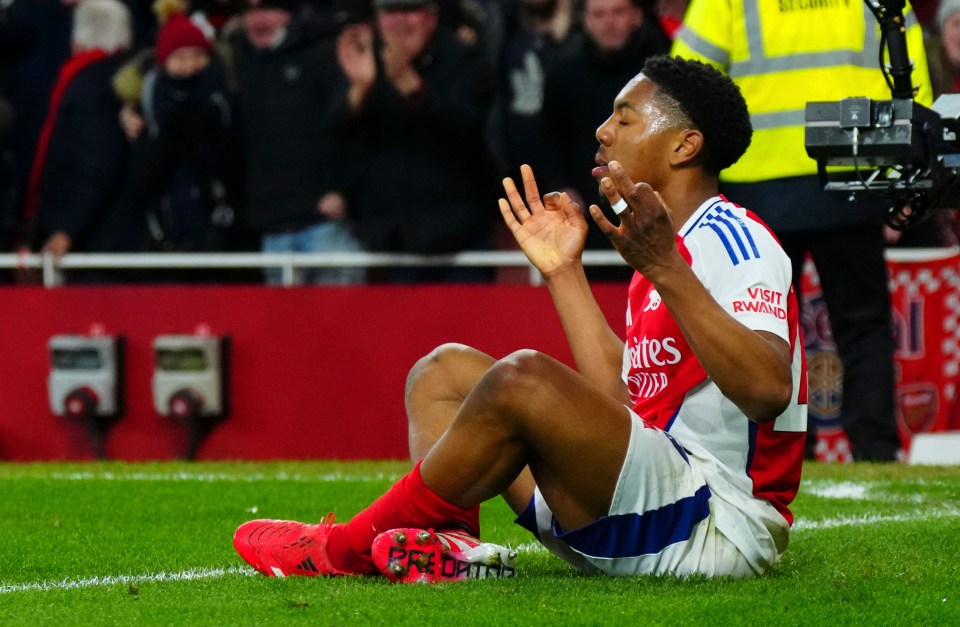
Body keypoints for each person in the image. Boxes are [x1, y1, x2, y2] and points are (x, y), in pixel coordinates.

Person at [233, 55, 807, 582]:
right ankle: (454, 553)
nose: (602, 132)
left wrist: (665, 270)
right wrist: (564, 271)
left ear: (685, 146)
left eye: (624, 119)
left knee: (521, 378)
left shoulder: (736, 240)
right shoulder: (658, 248)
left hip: (715, 527)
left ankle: (342, 551)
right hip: (649, 502)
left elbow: (767, 389)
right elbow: (624, 400)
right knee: (443, 374)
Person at [671, 0, 932, 461]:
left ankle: (777, 450)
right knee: (864, 324)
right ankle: (875, 450)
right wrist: (908, 176)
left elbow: (683, 81)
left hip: (762, 181)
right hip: (854, 173)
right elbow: (911, 77)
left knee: (762, 325)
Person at [335, 0, 499, 282]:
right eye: (390, 12)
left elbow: (465, 127)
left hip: (460, 243)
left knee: (465, 327)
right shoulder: (363, 60)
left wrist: (410, 85)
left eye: (410, 10)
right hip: (390, 242)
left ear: (432, 17)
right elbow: (334, 136)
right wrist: (359, 90)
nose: (400, 21)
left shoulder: (465, 58)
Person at [228, 0, 366, 285]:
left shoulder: (325, 53)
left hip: (325, 224)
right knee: (284, 329)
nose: (258, 20)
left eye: (267, 8)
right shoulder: (238, 62)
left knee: (342, 327)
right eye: (248, 11)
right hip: (272, 229)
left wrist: (344, 190)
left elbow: (356, 128)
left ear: (288, 13)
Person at [538, 0, 671, 281]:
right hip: (588, 211)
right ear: (585, 20)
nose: (608, 22)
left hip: (656, 205)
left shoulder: (665, 68)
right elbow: (546, 136)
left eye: (617, 12)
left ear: (636, 15)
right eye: (598, 14)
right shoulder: (564, 69)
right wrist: (561, 185)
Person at [22, 0, 146, 272]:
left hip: (93, 241)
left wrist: (66, 228)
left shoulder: (87, 85)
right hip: (122, 233)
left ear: (78, 39)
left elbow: (93, 163)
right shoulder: (132, 80)